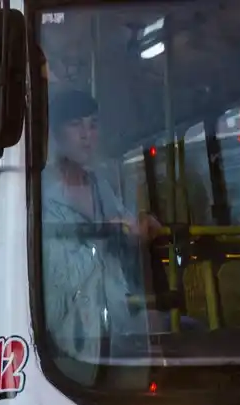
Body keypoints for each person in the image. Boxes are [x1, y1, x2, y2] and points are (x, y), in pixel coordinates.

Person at [41, 89, 166, 367]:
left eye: (93, 124)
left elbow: (125, 226)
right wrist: (104, 237)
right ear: (57, 135)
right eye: (76, 125)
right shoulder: (41, 198)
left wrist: (142, 226)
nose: (87, 134)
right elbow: (61, 277)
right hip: (70, 341)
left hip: (117, 323)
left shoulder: (100, 186)